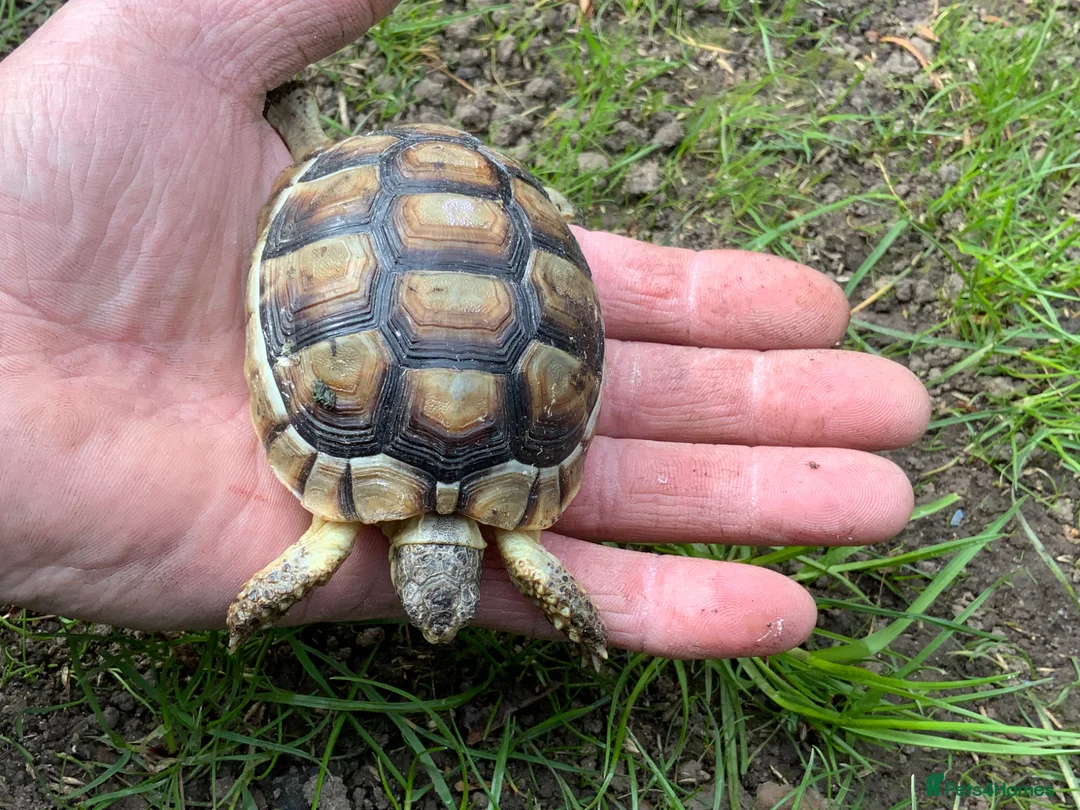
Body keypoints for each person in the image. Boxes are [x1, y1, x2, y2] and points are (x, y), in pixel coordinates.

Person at [0, 0, 930, 660]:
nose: (433, 613)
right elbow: (526, 574)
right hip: (433, 240)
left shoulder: (339, 522)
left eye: (431, 604)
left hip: (366, 226)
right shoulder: (480, 534)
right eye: (430, 604)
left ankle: (306, 143)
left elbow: (294, 572)